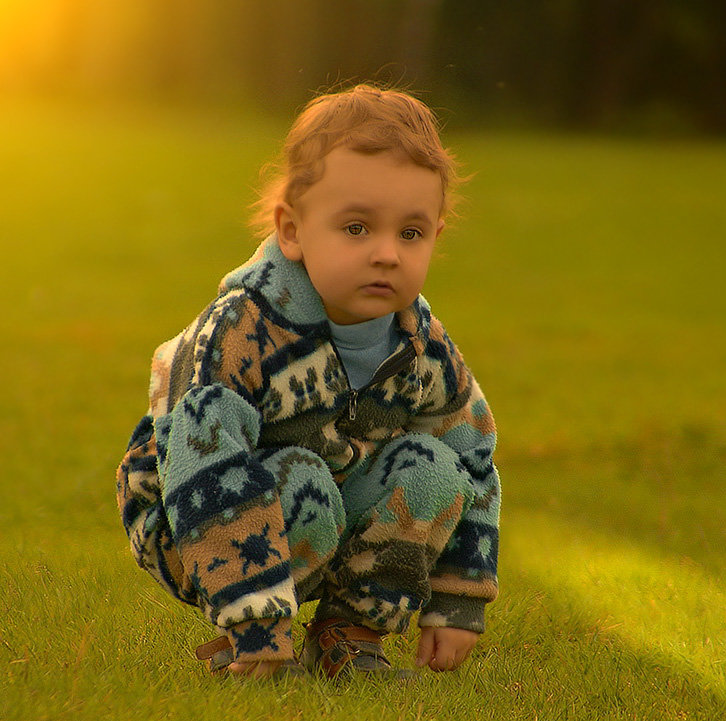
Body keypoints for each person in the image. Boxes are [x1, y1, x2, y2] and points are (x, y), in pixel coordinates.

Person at [115, 84, 501, 680]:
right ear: (292, 231)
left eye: (410, 233)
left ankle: (347, 637)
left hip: (329, 491)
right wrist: (257, 622)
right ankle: (252, 643)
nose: (386, 254)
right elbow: (204, 469)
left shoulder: (420, 344)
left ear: (435, 238)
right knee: (305, 482)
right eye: (355, 228)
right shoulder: (241, 330)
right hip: (189, 507)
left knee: (433, 467)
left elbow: (472, 456)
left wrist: (458, 600)